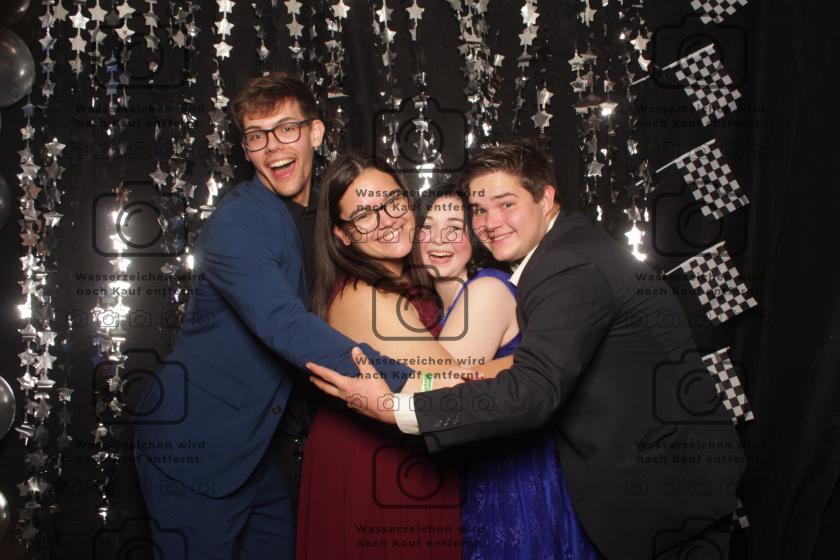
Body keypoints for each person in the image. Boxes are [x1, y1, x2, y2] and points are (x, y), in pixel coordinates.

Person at [306, 139, 747, 560]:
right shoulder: (558, 254)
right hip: (643, 485)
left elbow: (530, 391)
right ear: (341, 233)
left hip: (660, 490)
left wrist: (393, 407)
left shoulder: (564, 264)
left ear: (546, 198)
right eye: (480, 210)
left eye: (506, 204)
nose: (491, 221)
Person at [132, 73, 415, 560]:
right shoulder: (240, 221)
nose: (273, 147)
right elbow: (283, 323)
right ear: (246, 149)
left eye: (286, 129)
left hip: (257, 450)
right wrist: (412, 384)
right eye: (257, 136)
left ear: (315, 133)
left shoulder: (316, 218)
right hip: (194, 443)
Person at [296, 155, 510, 559]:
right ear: (342, 234)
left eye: (393, 202)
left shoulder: (408, 280)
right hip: (374, 464)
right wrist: (528, 361)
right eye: (364, 215)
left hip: (408, 454)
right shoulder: (367, 296)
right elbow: (452, 388)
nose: (387, 220)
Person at [415, 183, 602, 559]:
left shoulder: (485, 291)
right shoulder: (439, 307)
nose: (439, 240)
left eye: (454, 227)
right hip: (482, 471)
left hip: (512, 478)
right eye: (428, 227)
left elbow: (433, 395)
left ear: (474, 237)